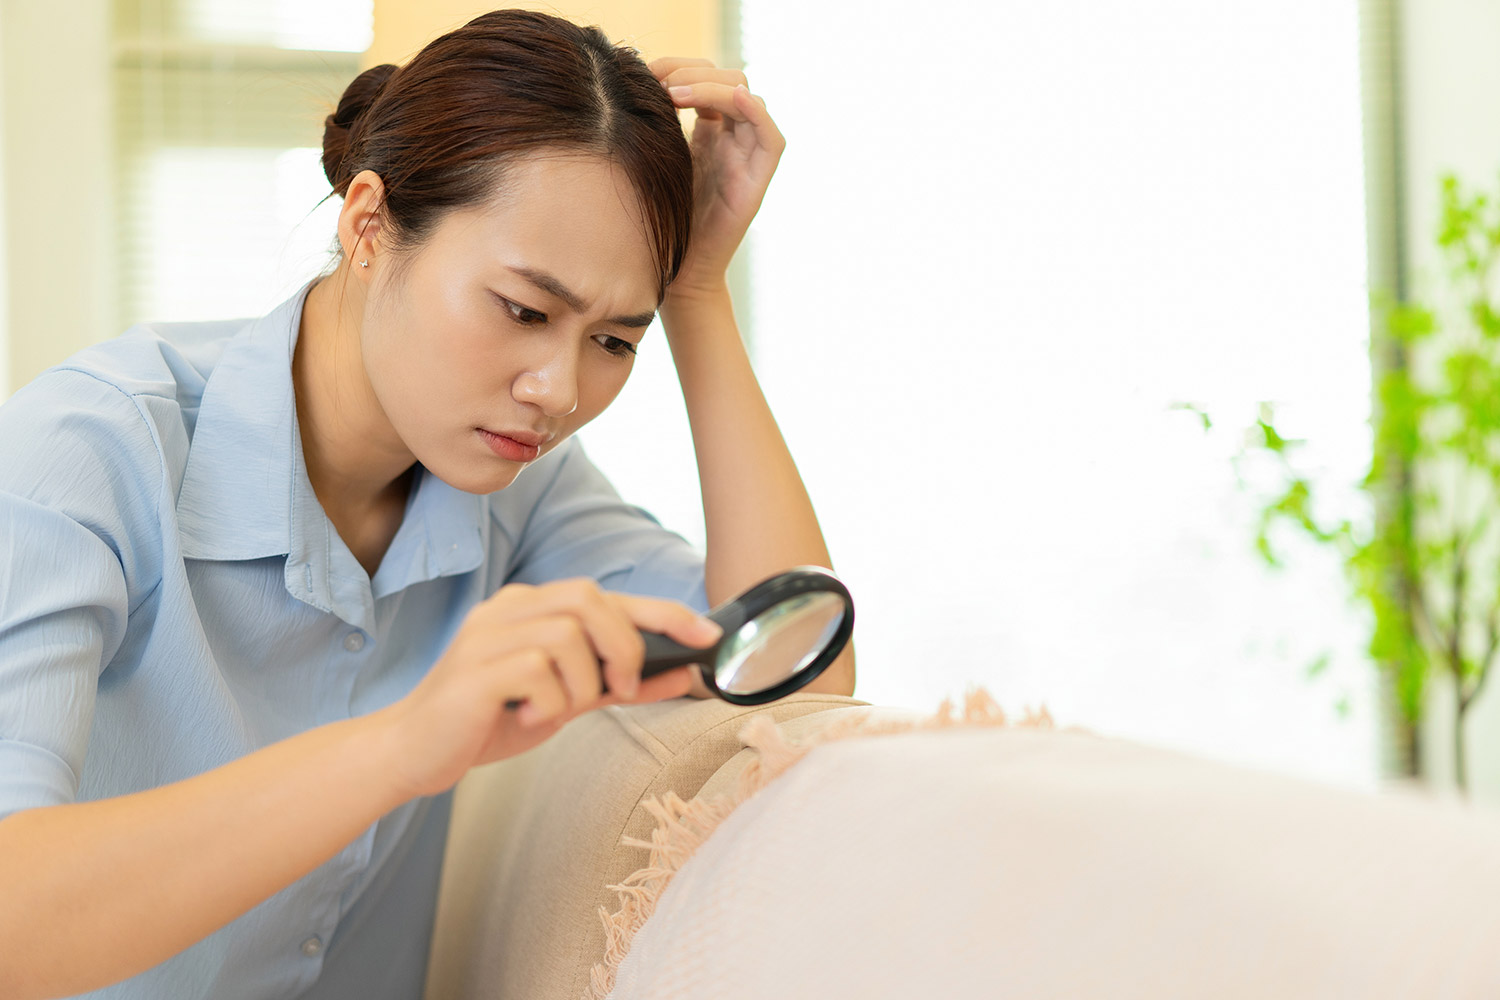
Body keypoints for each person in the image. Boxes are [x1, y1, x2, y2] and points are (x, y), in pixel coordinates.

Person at [0, 9, 854, 999]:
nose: (558, 389)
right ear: (367, 225)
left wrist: (698, 291)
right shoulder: (88, 452)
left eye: (615, 340)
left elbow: (797, 685)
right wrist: (407, 743)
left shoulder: (518, 491)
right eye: (524, 310)